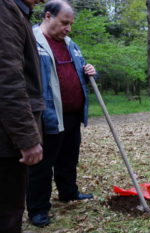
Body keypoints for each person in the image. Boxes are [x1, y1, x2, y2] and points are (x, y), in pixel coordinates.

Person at [26, 0, 97, 227]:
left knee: (68, 158)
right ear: (48, 16)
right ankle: (38, 208)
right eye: (64, 22)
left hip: (72, 113)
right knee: (43, 164)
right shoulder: (32, 40)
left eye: (70, 24)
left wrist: (91, 71)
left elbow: (83, 69)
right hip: (47, 114)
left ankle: (68, 192)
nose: (68, 28)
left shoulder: (69, 43)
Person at [0, 0, 46, 232]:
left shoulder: (20, 12)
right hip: (6, 138)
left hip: (9, 133)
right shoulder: (6, 10)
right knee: (8, 210)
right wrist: (27, 138)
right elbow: (7, 80)